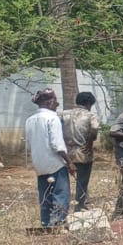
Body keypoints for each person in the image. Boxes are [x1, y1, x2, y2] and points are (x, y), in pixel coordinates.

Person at [24, 87, 73, 227]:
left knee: (45, 195)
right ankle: (57, 223)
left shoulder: (29, 120)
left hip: (39, 165)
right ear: (50, 102)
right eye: (56, 102)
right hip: (55, 163)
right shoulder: (52, 118)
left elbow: (29, 143)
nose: (56, 105)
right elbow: (57, 145)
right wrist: (69, 162)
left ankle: (45, 223)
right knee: (60, 194)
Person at [60, 91, 99, 212]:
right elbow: (94, 129)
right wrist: (90, 141)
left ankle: (62, 206)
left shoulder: (63, 114)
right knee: (82, 180)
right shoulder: (90, 115)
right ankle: (79, 205)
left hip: (65, 152)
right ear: (88, 103)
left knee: (63, 181)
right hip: (83, 152)